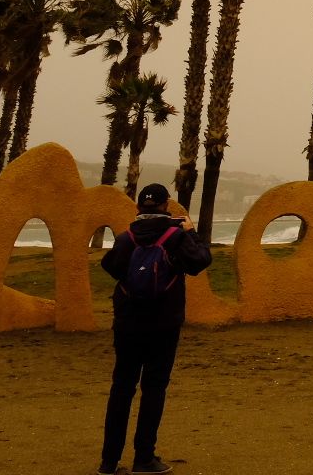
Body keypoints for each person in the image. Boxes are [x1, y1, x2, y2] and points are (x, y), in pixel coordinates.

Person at [99, 183, 213, 475]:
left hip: (127, 323)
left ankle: (108, 463)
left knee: (122, 387)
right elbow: (200, 261)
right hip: (164, 323)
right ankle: (144, 458)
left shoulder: (127, 238)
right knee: (154, 388)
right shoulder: (175, 238)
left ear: (139, 208)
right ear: (166, 207)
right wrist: (190, 231)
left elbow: (109, 266)